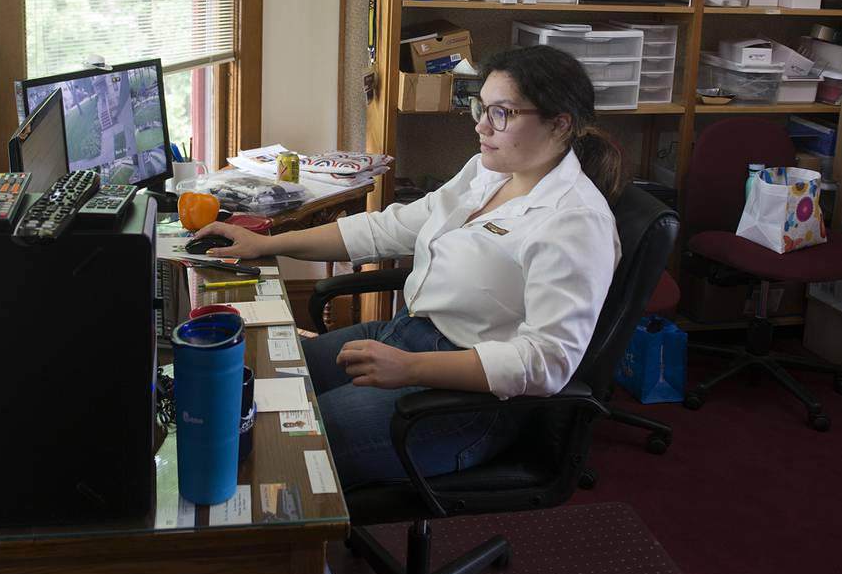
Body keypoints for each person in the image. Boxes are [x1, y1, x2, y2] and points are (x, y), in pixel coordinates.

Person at [193, 46, 623, 487]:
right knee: (250, 380)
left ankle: (291, 549)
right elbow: (389, 228)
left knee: (269, 439)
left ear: (560, 124)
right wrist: (268, 244)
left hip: (465, 402)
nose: (480, 125)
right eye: (481, 108)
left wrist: (411, 368)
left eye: (502, 113)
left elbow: (546, 364)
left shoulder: (575, 222)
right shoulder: (488, 172)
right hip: (404, 336)